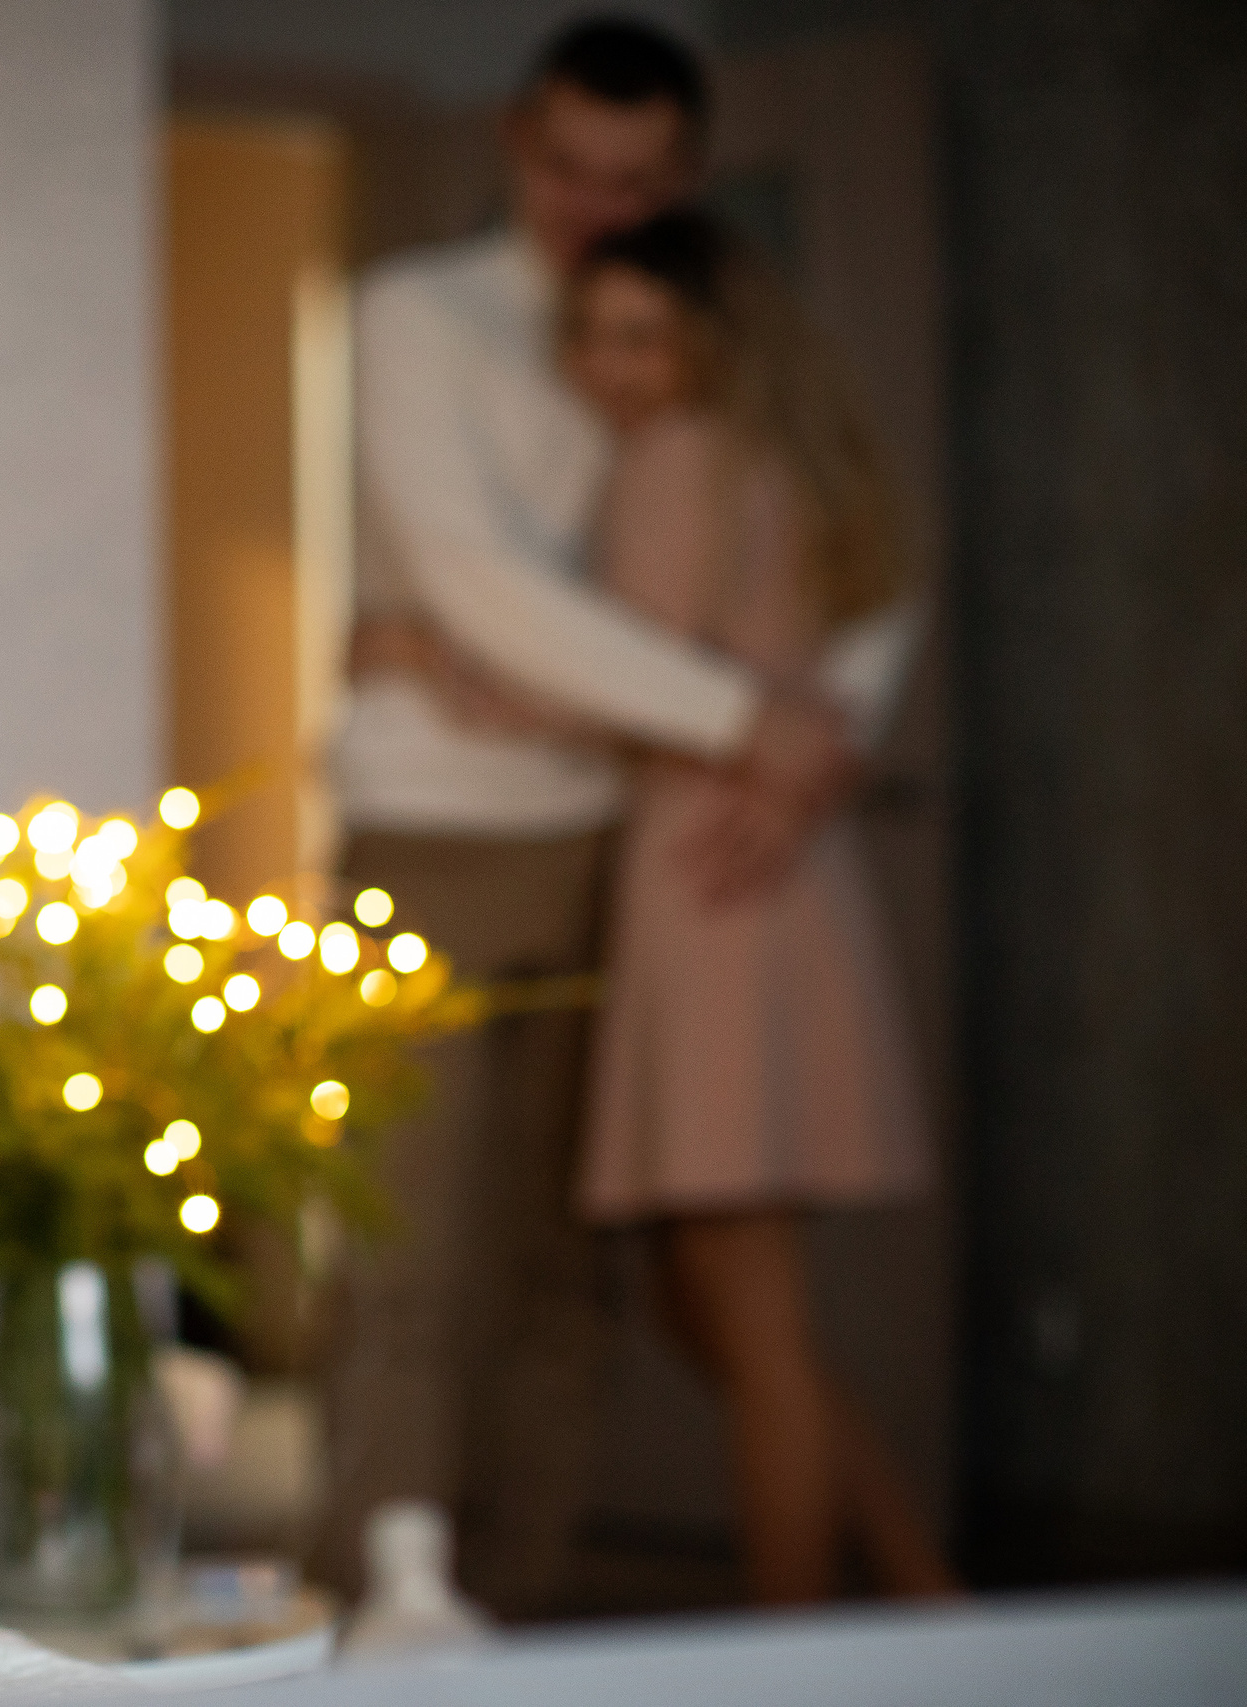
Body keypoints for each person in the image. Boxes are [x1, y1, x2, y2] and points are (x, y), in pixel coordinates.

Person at [317, 15, 917, 1615]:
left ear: (692, 173)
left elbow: (857, 536)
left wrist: (819, 741)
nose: (596, 200)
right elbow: (483, 581)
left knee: (567, 1273)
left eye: (636, 176)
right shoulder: (412, 317)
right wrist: (747, 720)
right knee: (406, 1252)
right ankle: (383, 1603)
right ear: (519, 141)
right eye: (572, 166)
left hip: (628, 841)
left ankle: (512, 1609)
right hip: (434, 826)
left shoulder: (708, 341)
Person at [561, 211, 958, 1601]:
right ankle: (923, 1592)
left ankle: (796, 1651)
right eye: (591, 334)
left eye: (639, 336)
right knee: (717, 1299)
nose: (606, 367)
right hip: (774, 879)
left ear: (709, 344)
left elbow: (604, 673)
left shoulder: (676, 461)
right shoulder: (797, 467)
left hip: (707, 885)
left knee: (747, 1302)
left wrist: (429, 643)